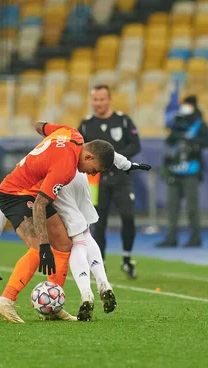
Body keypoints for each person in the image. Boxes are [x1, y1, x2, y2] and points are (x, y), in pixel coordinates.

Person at [0, 152, 151, 322]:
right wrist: (125, 164)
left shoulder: (36, 166)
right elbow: (96, 149)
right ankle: (6, 299)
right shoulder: (68, 142)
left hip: (46, 190)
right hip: (45, 189)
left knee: (65, 243)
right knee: (59, 241)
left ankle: (56, 306)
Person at [0, 121, 115, 323]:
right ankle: (6, 300)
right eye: (94, 169)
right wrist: (43, 246)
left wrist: (44, 156)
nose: (91, 174)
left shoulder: (72, 133)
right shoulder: (66, 168)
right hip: (15, 194)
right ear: (88, 156)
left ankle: (52, 309)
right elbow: (40, 205)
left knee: (63, 244)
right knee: (36, 250)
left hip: (35, 193)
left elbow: (39, 126)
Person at [78, 84, 142, 279]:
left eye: (102, 99)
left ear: (109, 100)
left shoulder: (123, 121)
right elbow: (78, 150)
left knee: (128, 217)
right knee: (99, 222)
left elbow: (136, 145)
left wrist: (115, 159)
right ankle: (100, 262)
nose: (98, 103)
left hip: (121, 179)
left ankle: (127, 258)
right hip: (97, 182)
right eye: (95, 99)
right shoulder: (86, 124)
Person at [156, 95, 208, 248]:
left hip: (191, 170)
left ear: (193, 106)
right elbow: (169, 143)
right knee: (172, 207)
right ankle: (172, 237)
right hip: (175, 170)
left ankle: (195, 237)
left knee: (192, 208)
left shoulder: (199, 124)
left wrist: (192, 142)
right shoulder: (176, 122)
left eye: (187, 104)